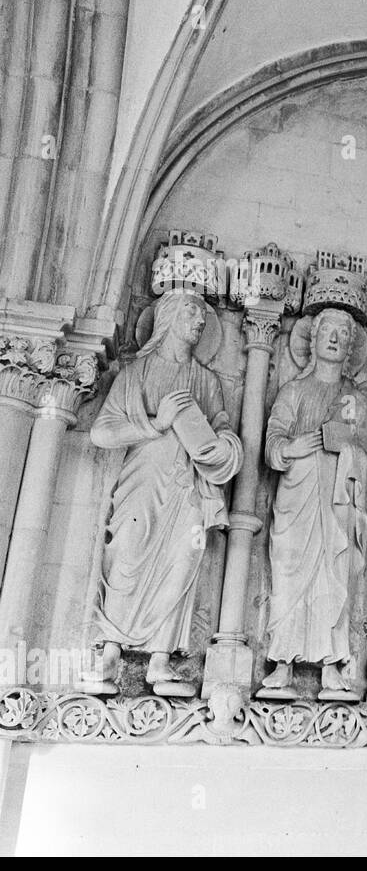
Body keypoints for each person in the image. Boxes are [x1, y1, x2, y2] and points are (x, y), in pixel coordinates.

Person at [83, 291, 243, 695]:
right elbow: (102, 432)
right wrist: (159, 422)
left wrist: (224, 445)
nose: (200, 320)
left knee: (182, 561)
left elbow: (222, 426)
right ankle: (112, 650)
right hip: (143, 483)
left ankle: (160, 657)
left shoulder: (205, 380)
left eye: (204, 315)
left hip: (188, 489)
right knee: (127, 554)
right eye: (191, 310)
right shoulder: (137, 373)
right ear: (168, 316)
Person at [260, 308, 367, 698]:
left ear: (350, 348)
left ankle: (331, 664)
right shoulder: (293, 391)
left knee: (335, 575)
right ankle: (281, 662)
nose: (336, 339)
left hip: (338, 500)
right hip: (299, 497)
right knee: (291, 573)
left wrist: (348, 448)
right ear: (312, 339)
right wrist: (291, 447)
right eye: (328, 331)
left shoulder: (357, 401)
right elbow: (272, 442)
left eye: (344, 336)